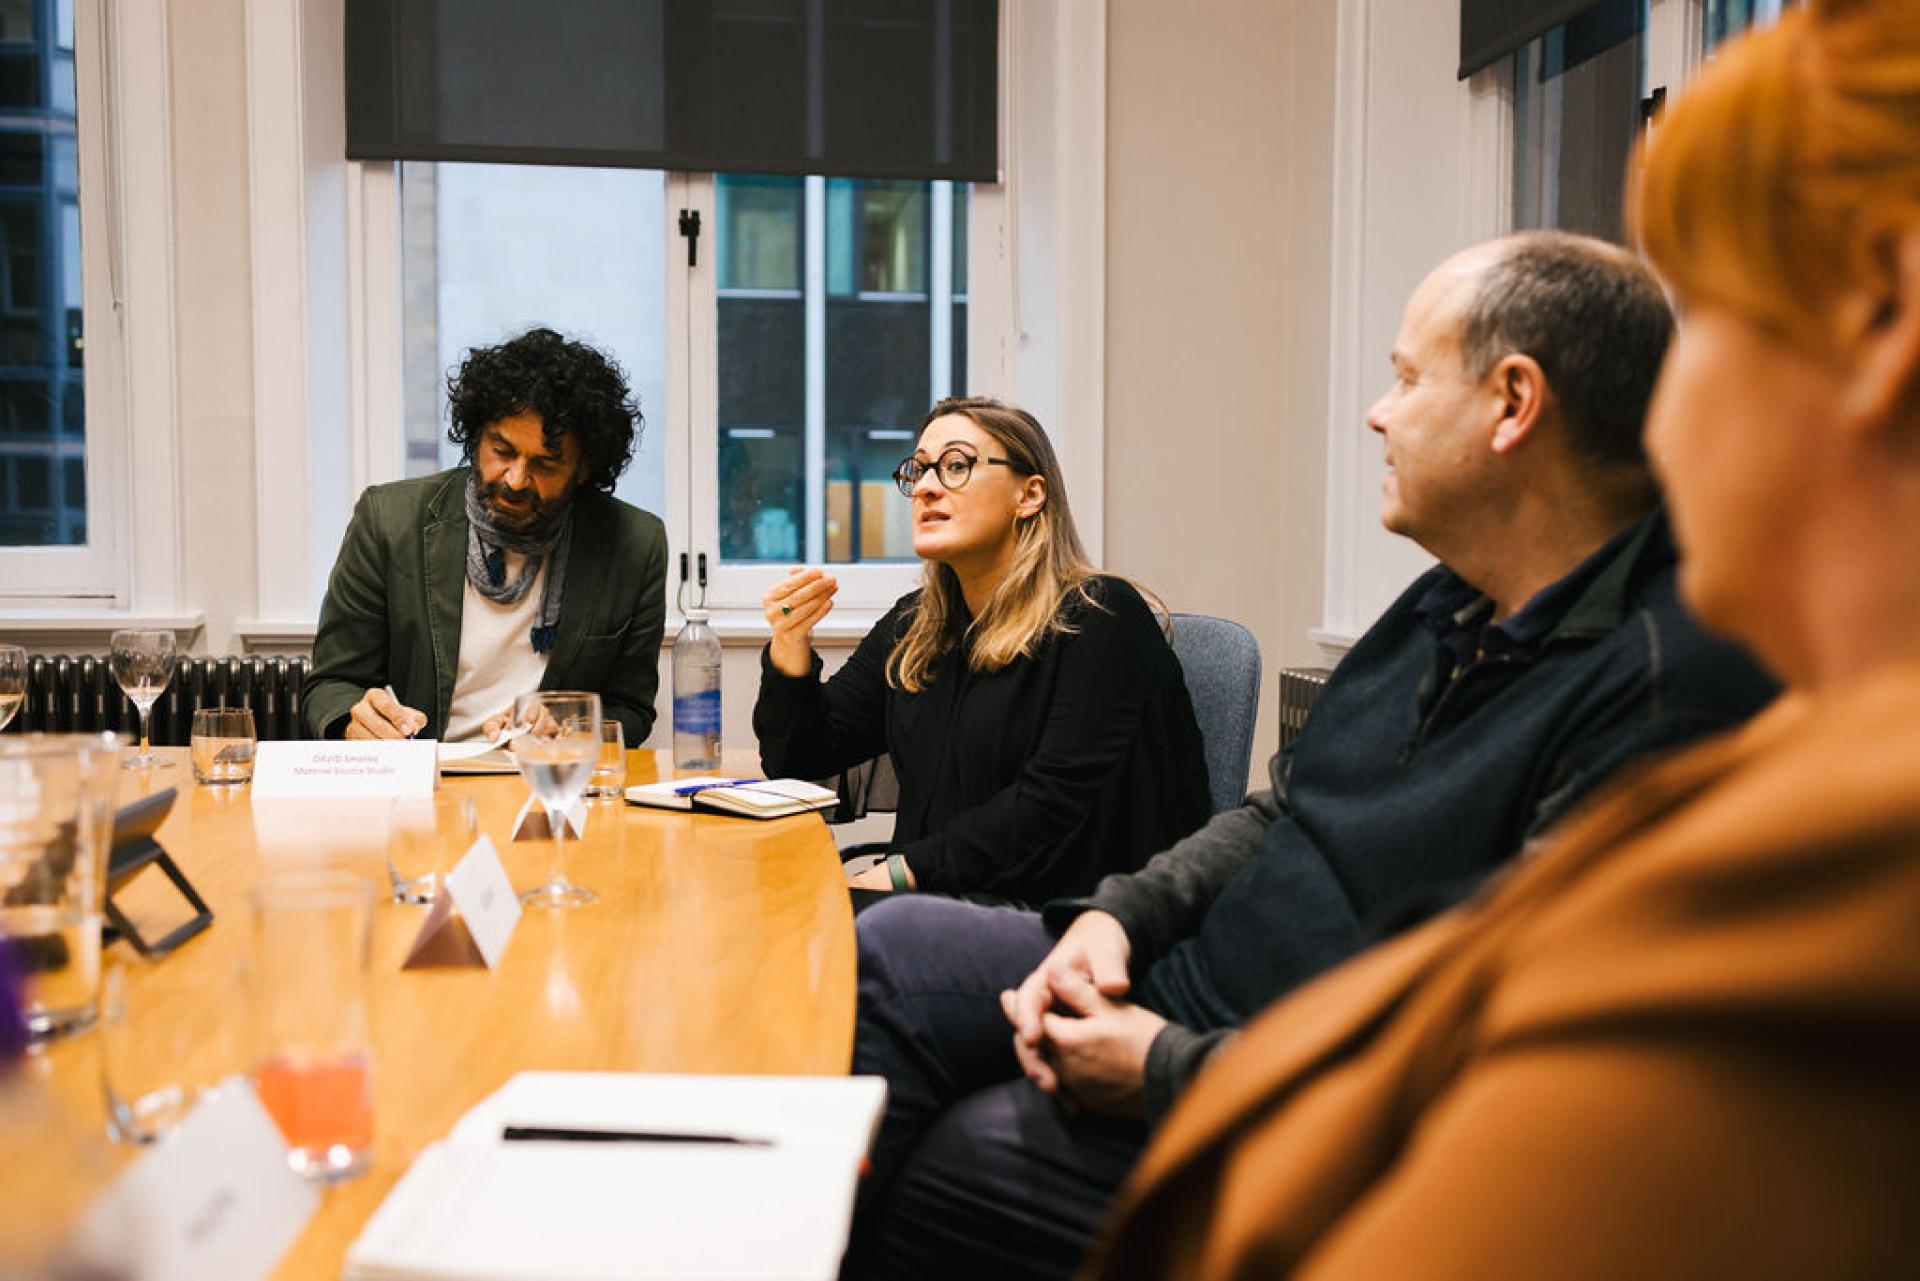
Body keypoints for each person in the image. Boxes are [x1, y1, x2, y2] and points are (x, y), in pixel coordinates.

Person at [1085, 3, 1920, 1278]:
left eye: (1713, 320)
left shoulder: (1810, 842)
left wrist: (1161, 1067)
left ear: (1882, 323)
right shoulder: (1794, 765)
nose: (1661, 409)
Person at [843, 233, 1781, 1279]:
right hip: (1186, 984)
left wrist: (1164, 1070)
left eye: (1408, 379)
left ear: (1513, 405)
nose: (1379, 412)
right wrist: (1117, 917)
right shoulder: (1449, 598)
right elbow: (1277, 809)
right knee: (898, 952)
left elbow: (1495, 1064)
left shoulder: (1660, 688)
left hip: (1285, 1080)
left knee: (955, 1165)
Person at [753, 396, 1211, 908]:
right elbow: (800, 758)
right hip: (938, 899)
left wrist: (902, 873)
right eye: (919, 470)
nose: (925, 487)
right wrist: (791, 642)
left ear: (1029, 495)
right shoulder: (917, 624)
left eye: (956, 466)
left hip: (1063, 918)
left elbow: (1047, 807)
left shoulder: (1102, 616)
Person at [304, 328, 667, 744]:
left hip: (547, 782)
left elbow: (631, 710)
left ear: (584, 468)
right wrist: (356, 724)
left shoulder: (634, 545)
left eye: (545, 465)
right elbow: (330, 686)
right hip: (427, 783)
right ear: (477, 437)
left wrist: (568, 725)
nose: (514, 480)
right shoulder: (390, 521)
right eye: (502, 451)